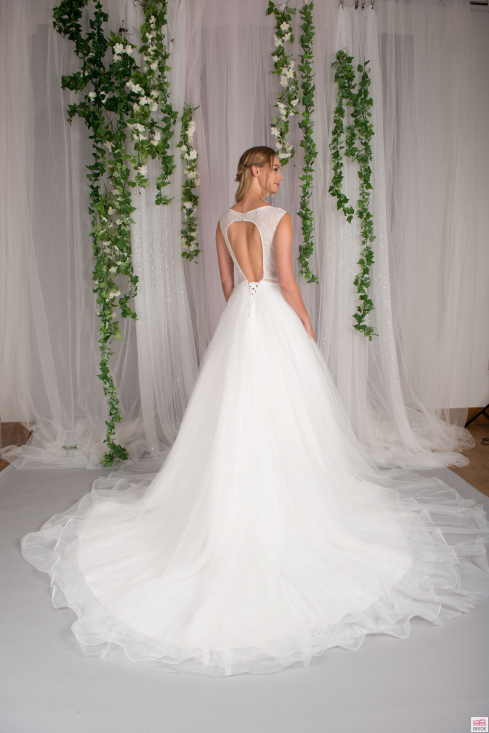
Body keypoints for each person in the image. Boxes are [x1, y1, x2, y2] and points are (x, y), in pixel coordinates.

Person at [22, 146, 489, 677]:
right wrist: (305, 325)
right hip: (273, 316)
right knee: (286, 412)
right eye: (274, 169)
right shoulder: (278, 218)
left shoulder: (223, 221)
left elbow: (228, 286)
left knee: (232, 414)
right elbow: (286, 282)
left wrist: (242, 322)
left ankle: (231, 499)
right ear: (256, 170)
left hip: (239, 321)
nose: (279, 177)